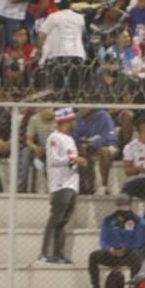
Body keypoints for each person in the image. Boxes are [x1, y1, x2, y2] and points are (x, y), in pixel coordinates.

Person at [38, 107, 86, 264]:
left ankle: (57, 254)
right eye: (72, 119)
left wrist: (76, 162)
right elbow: (53, 160)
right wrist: (74, 160)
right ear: (66, 121)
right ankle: (45, 254)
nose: (74, 122)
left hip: (71, 183)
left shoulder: (69, 139)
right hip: (60, 184)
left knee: (63, 221)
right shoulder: (54, 138)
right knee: (56, 219)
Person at [89, 196, 145, 288]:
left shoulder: (138, 221)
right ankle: (95, 286)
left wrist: (126, 248)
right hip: (110, 253)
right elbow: (103, 240)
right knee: (93, 256)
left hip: (127, 253)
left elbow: (139, 241)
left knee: (136, 258)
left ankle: (133, 287)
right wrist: (109, 248)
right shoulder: (108, 220)